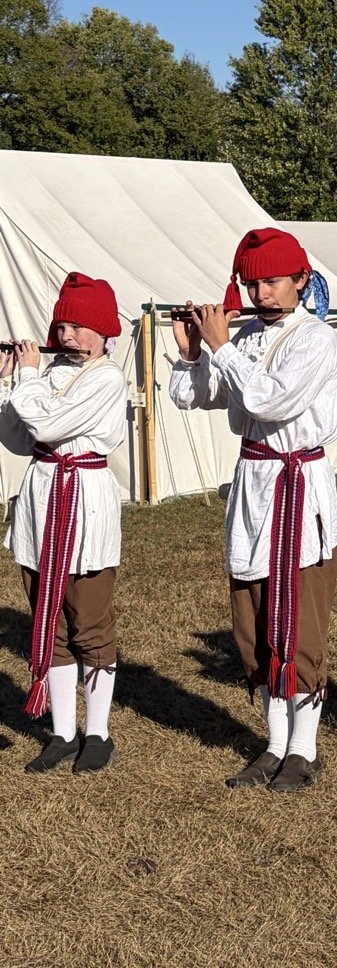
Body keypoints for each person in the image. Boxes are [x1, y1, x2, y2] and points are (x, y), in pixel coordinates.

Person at [169, 228, 337, 793]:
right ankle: (273, 744)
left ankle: (304, 749)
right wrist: (193, 352)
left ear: (301, 280)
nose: (261, 294)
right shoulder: (243, 336)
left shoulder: (316, 339)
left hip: (297, 486)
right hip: (253, 488)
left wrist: (221, 348)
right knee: (254, 624)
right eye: (252, 284)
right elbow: (193, 396)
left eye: (271, 282)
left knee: (299, 623)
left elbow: (271, 399)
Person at [0, 272, 127, 774]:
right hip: (42, 500)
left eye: (78, 327)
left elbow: (49, 423)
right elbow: (18, 438)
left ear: (103, 330)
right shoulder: (48, 375)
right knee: (48, 622)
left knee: (89, 623)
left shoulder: (107, 378)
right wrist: (9, 381)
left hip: (84, 503)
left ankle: (98, 733)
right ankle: (62, 732)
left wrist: (29, 378)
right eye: (62, 327)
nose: (68, 336)